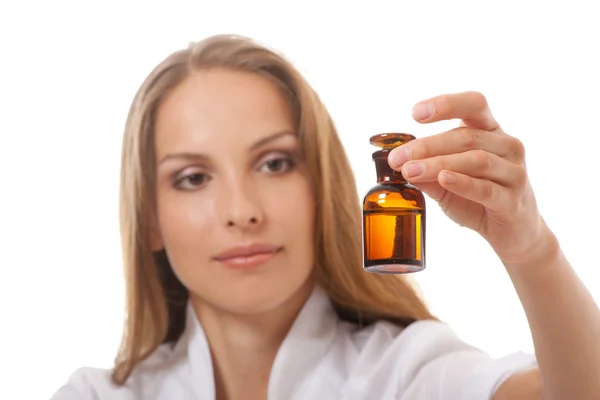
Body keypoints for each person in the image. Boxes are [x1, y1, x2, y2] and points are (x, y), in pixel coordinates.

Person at [50, 34, 600, 400]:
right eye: (193, 178)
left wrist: (532, 249)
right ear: (150, 220)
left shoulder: (406, 374)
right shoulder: (97, 395)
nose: (242, 212)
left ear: (322, 190)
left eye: (275, 163)